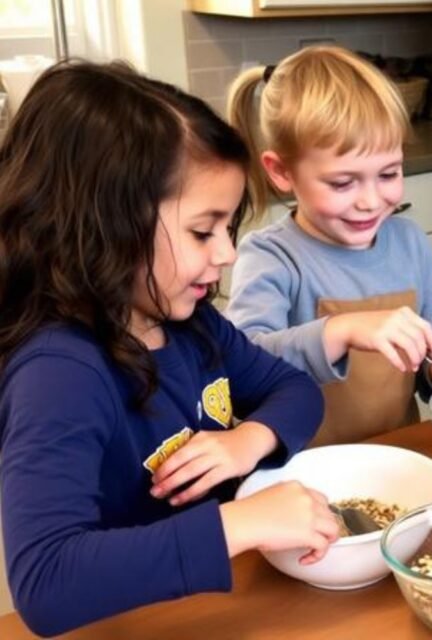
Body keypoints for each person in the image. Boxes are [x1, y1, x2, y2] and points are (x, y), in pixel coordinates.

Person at [0, 61, 339, 636]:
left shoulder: (192, 324)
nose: (229, 254)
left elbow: (294, 388)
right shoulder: (58, 373)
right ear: (108, 226)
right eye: (203, 231)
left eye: (229, 229)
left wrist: (246, 441)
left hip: (221, 606)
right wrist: (240, 523)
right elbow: (47, 582)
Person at [225, 46, 432, 445]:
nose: (371, 201)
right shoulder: (272, 257)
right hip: (305, 475)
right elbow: (244, 365)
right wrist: (343, 330)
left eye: (389, 173)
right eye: (342, 183)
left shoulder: (409, 242)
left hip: (399, 459)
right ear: (282, 171)